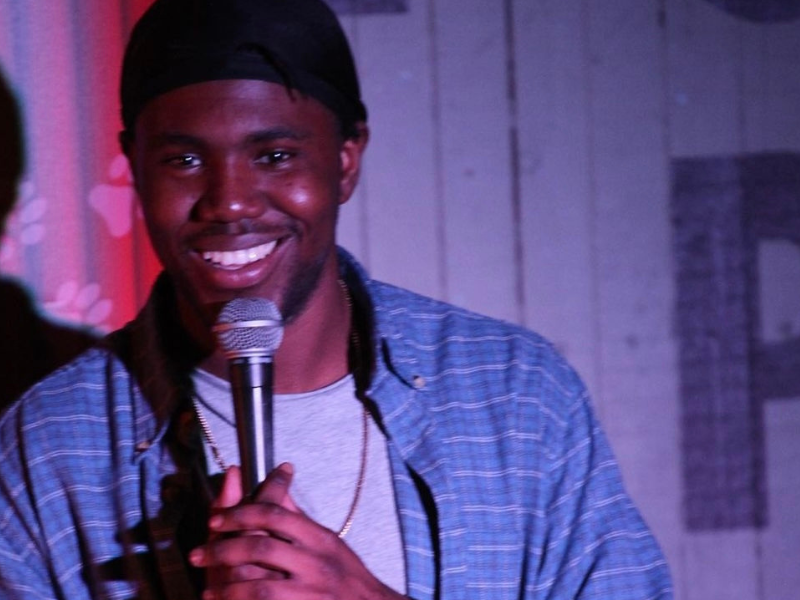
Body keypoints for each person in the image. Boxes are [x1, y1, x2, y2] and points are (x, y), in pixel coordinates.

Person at [0, 0, 673, 598]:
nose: (229, 202)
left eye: (274, 156)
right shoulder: (53, 446)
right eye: (184, 160)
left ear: (346, 159)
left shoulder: (514, 395)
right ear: (134, 165)